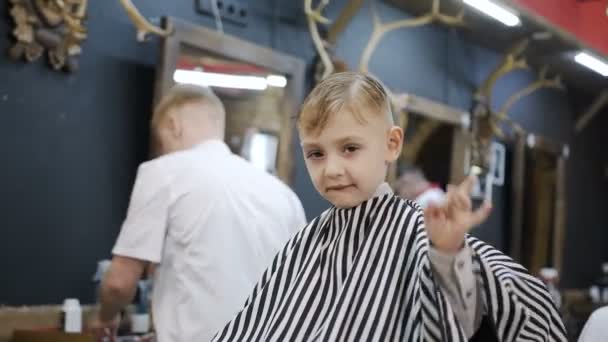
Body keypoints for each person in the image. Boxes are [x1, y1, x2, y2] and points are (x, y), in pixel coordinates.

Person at [212, 72, 566, 341]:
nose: (332, 168)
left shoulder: (419, 235)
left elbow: (483, 321)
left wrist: (448, 255)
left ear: (392, 144)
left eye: (349, 148)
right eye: (316, 153)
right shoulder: (303, 243)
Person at [90, 84, 307, 341]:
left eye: (161, 143)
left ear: (174, 125)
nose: (163, 151)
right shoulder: (284, 195)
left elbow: (119, 283)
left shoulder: (164, 172)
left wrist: (105, 316)